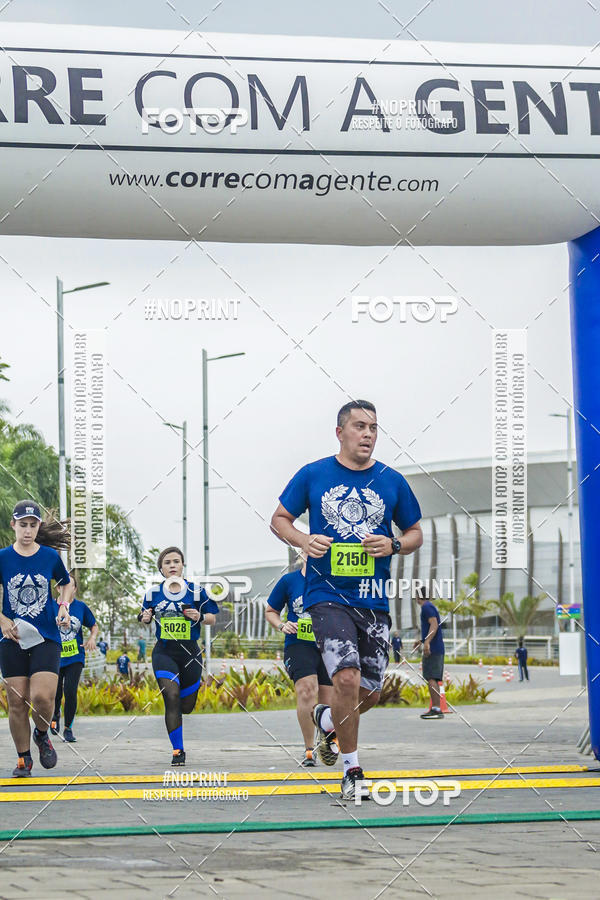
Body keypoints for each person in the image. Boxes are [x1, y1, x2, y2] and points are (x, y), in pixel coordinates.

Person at [270, 400, 422, 799]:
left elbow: (415, 534)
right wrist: (304, 539)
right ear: (341, 432)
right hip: (326, 596)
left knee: (367, 693)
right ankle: (352, 771)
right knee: (346, 678)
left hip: (373, 600)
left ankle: (325, 721)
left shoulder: (392, 481)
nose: (368, 434)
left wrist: (393, 544)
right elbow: (279, 519)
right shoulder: (313, 474)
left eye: (374, 427)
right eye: (359, 426)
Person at [0, 500, 71, 777]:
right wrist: (2, 619)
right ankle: (23, 759)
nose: (27, 530)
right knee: (16, 701)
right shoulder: (3, 557)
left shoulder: (50, 557)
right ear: (13, 525)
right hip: (12, 638)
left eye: (32, 525)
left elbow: (65, 584)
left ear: (38, 526)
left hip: (46, 637)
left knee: (42, 697)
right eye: (23, 525)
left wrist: (63, 607)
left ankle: (42, 734)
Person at [139, 546, 218, 766]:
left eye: (176, 561)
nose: (172, 565)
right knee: (171, 696)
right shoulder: (153, 593)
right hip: (164, 652)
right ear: (162, 569)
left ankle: (190, 692)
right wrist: (145, 617)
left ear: (182, 565)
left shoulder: (196, 591)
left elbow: (212, 617)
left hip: (190, 653)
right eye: (167, 563)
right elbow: (144, 614)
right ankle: (178, 751)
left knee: (186, 706)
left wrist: (199, 616)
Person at [265, 554, 334, 767]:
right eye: (309, 551)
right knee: (306, 690)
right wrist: (281, 625)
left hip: (328, 645)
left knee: (327, 701)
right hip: (298, 645)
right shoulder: (289, 581)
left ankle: (328, 740)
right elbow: (270, 610)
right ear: (302, 554)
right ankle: (309, 750)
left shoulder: (333, 580)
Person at [51, 571, 98, 742]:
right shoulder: (50, 605)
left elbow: (94, 626)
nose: (66, 587)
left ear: (75, 589)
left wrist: (92, 638)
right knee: (55, 692)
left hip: (75, 657)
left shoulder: (81, 607)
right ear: (58, 588)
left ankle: (68, 728)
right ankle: (55, 714)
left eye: (69, 584)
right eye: (62, 584)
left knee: (70, 691)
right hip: (54, 656)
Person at [413, 587, 445, 719]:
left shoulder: (427, 607)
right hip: (435, 647)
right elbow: (431, 627)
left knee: (432, 678)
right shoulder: (429, 607)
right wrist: (422, 641)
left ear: (417, 597)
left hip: (433, 649)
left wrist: (427, 643)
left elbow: (434, 624)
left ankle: (436, 709)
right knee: (432, 678)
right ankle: (436, 708)